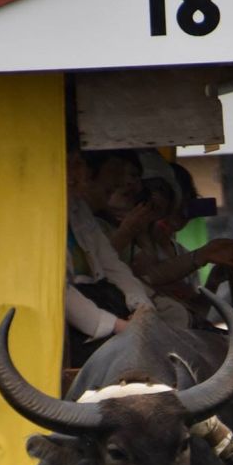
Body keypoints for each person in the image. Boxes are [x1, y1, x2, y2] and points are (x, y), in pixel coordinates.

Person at [122, 151, 233, 325]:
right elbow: (148, 276)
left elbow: (194, 316)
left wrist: (212, 283)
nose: (173, 221)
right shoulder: (125, 244)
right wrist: (202, 255)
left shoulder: (182, 254)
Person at [64, 148, 155, 365]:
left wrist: (142, 307)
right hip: (76, 322)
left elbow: (112, 264)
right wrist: (116, 326)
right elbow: (56, 290)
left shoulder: (79, 209)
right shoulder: (39, 211)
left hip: (102, 297)